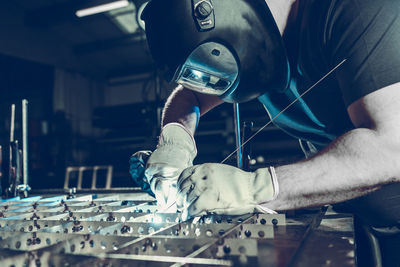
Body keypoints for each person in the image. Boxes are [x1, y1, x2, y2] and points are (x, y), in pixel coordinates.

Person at [130, 0, 400, 265]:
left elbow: (390, 148)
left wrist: (255, 188)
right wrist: (174, 143)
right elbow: (190, 95)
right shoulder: (258, 47)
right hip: (356, 221)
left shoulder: (353, 9)